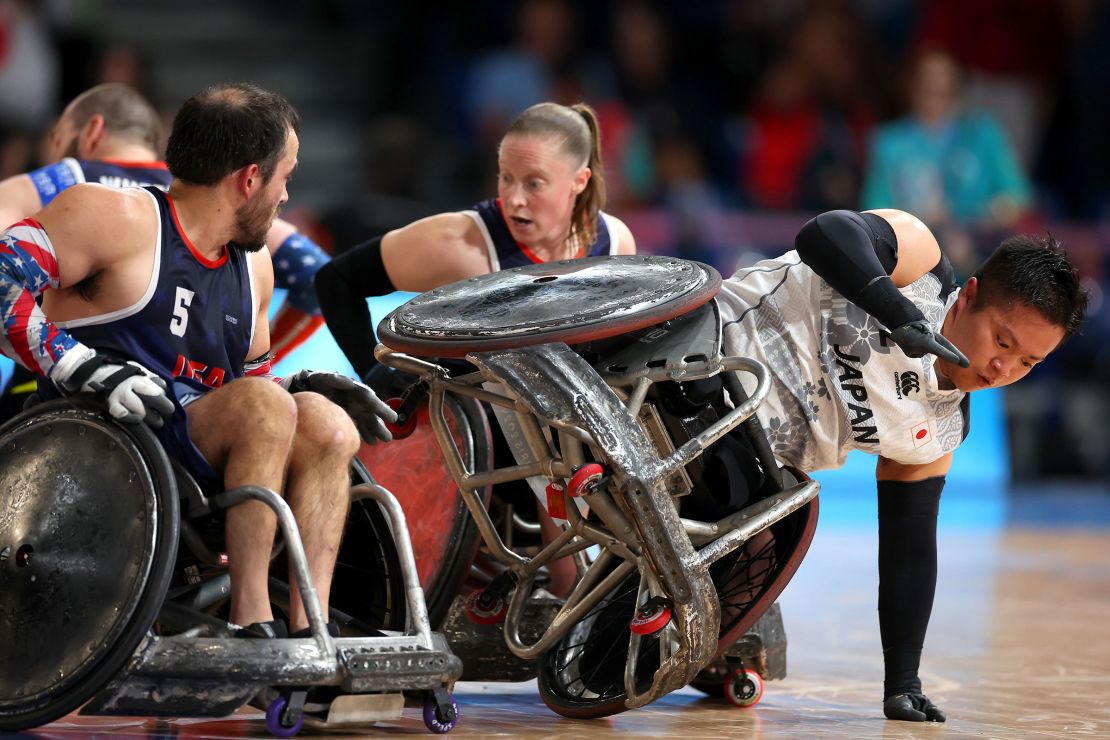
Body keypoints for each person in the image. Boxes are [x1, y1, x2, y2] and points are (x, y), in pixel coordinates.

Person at [0, 82, 396, 639]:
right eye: (286, 177)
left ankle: (312, 632)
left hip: (190, 455)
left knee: (326, 424)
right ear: (250, 178)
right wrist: (74, 363)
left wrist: (302, 383)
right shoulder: (113, 215)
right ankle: (252, 619)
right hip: (102, 452)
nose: (287, 197)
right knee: (264, 405)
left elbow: (251, 398)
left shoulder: (254, 271)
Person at [716, 208, 1086, 722]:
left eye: (1027, 363)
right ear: (971, 296)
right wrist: (900, 317)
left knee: (777, 532)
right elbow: (821, 235)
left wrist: (902, 684)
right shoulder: (919, 262)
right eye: (1003, 341)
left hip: (740, 463)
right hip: (710, 354)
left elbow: (908, 551)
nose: (1003, 370)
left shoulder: (940, 432)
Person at [314, 100, 636, 597]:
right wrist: (373, 373)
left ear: (579, 181)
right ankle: (573, 593)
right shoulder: (460, 241)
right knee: (547, 433)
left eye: (533, 183)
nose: (514, 199)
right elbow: (336, 280)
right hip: (473, 430)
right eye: (505, 178)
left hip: (567, 426)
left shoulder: (615, 243)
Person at [0, 82, 330, 369]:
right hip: (91, 399)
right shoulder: (216, 199)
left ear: (91, 132)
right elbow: (313, 273)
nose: (285, 195)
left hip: (50, 381)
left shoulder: (53, 183)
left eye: (56, 140)